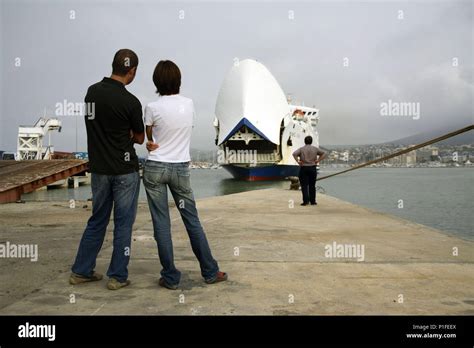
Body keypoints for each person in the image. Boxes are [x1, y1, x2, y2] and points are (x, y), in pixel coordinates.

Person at [143, 60, 227, 290]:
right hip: (180, 169)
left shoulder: (151, 107)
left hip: (155, 168)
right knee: (192, 220)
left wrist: (152, 142)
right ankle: (210, 271)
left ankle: (170, 277)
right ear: (178, 80)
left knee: (161, 224)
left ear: (156, 82)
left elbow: (149, 138)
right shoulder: (189, 104)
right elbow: (184, 129)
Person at [70, 49, 144, 290]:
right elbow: (141, 138)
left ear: (113, 65)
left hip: (100, 169)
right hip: (125, 170)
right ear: (131, 71)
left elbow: (92, 125)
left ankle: (81, 271)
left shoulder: (92, 92)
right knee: (123, 224)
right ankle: (117, 277)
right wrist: (127, 134)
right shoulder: (131, 102)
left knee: (97, 220)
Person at [292, 136, 326, 206]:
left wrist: (298, 161)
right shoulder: (315, 149)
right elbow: (324, 153)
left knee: (304, 185)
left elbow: (294, 154)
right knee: (312, 185)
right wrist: (318, 160)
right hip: (312, 168)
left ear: (305, 141)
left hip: (304, 168)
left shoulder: (301, 149)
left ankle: (305, 201)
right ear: (311, 141)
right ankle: (313, 201)